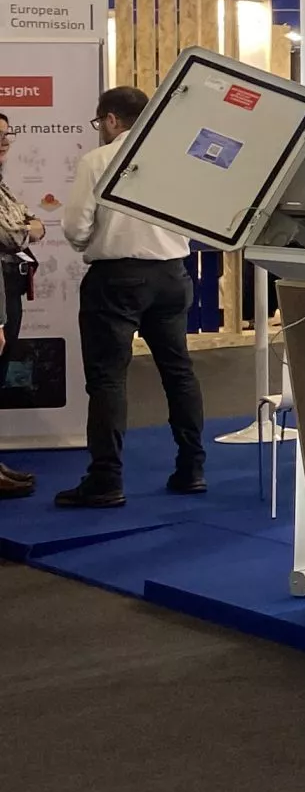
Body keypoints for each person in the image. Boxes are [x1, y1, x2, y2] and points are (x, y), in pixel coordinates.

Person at [56, 87, 207, 509]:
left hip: (117, 278)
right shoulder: (178, 159)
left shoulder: (98, 160)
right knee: (179, 371)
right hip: (172, 273)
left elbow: (75, 226)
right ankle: (192, 468)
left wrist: (90, 242)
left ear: (111, 119)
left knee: (108, 377)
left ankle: (106, 479)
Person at [0, 112, 45, 500]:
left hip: (7, 289)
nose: (4, 142)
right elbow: (13, 233)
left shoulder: (2, 184)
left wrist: (28, 225)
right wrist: (28, 227)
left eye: (6, 135)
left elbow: (28, 219)